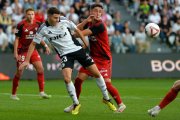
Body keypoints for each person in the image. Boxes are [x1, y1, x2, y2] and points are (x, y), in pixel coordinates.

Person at [19, 7, 116, 115]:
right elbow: (33, 43)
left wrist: (85, 43)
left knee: (97, 73)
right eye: (55, 18)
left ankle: (106, 99)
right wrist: (27, 60)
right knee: (66, 78)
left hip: (77, 49)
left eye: (58, 17)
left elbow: (77, 30)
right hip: (65, 54)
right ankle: (76, 103)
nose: (57, 19)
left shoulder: (63, 20)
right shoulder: (43, 28)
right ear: (49, 16)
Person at [64, 3, 126, 113]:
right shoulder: (90, 23)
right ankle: (75, 104)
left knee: (106, 83)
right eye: (96, 11)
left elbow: (77, 34)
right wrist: (86, 21)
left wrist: (80, 29)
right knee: (78, 80)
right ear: (90, 12)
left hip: (104, 59)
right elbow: (75, 30)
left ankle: (121, 104)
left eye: (100, 12)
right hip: (93, 58)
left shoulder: (100, 25)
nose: (98, 13)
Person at [11, 8, 51, 101]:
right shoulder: (20, 25)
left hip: (32, 50)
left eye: (32, 14)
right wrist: (15, 52)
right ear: (26, 15)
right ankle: (13, 94)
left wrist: (45, 45)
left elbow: (38, 37)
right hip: (22, 51)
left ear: (34, 15)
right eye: (29, 14)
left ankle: (41, 92)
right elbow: (16, 39)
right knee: (19, 72)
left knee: (40, 69)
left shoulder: (38, 24)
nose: (31, 16)